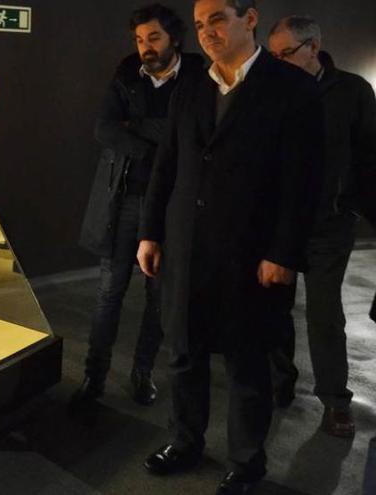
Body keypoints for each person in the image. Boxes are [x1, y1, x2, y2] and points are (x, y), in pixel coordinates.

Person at [136, 0, 323, 493]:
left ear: (250, 18)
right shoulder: (191, 85)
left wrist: (283, 253)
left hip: (250, 251)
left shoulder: (294, 89)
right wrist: (150, 232)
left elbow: (301, 182)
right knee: (183, 351)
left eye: (217, 19)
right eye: (199, 24)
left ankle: (246, 460)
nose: (207, 32)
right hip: (185, 245)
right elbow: (166, 166)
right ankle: (185, 440)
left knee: (246, 361)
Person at [73, 4, 204, 408]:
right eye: (140, 39)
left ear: (174, 39)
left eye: (154, 38)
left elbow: (192, 133)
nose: (145, 47)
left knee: (157, 297)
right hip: (124, 198)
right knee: (109, 292)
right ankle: (94, 377)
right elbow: (104, 128)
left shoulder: (197, 76)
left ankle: (142, 373)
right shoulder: (128, 72)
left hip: (168, 204)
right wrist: (156, 146)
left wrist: (141, 130)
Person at [266, 15, 376, 436]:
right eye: (273, 55)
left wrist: (352, 207)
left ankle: (334, 400)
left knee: (324, 314)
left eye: (286, 53)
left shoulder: (352, 91)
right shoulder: (272, 89)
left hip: (329, 224)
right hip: (280, 223)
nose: (279, 62)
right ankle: (280, 384)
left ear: (314, 47)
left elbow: (369, 156)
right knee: (274, 309)